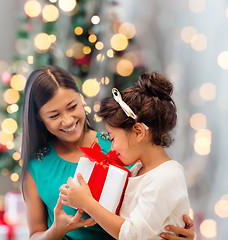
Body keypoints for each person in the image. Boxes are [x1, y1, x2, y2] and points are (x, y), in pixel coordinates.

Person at [20, 65, 194, 240]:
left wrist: (181, 230)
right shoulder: (37, 165)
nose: (67, 121)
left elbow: (153, 213)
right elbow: (35, 233)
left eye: (72, 107)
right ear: (39, 118)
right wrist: (57, 230)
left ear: (81, 99)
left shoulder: (123, 149)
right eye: (54, 116)